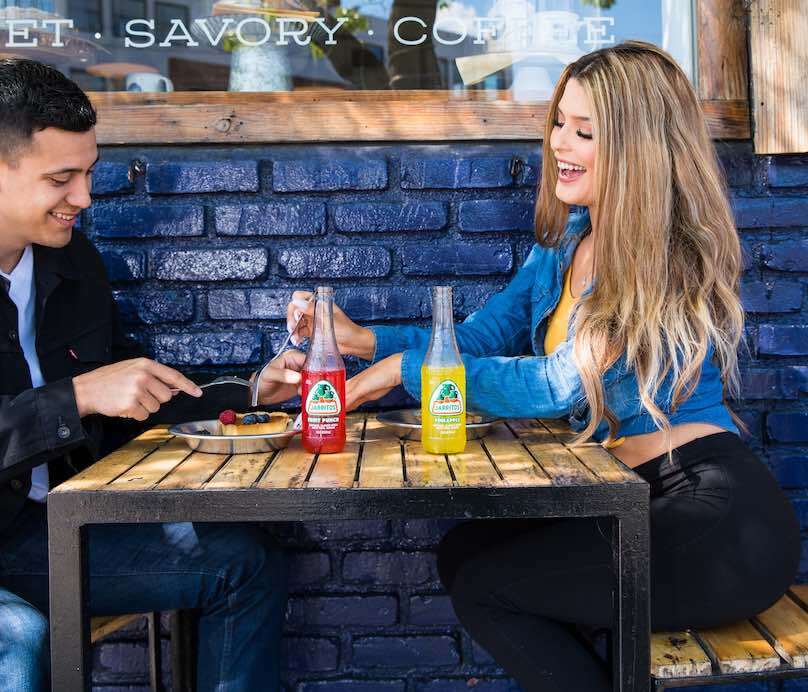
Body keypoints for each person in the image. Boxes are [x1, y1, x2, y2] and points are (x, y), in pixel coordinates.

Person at [284, 41, 800, 691]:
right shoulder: (563, 247)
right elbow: (480, 335)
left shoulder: (658, 261)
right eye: (559, 121)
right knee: (467, 552)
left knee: (489, 585)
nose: (560, 141)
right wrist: (364, 342)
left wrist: (400, 375)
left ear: (638, 150)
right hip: (629, 500)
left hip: (711, 515)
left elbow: (561, 383)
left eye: (585, 131)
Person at [0, 58, 298, 691]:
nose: (85, 199)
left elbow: (123, 400)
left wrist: (252, 394)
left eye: (88, 173)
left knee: (242, 562)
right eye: (62, 178)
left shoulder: (71, 263)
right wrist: (73, 398)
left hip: (24, 534)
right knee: (6, 644)